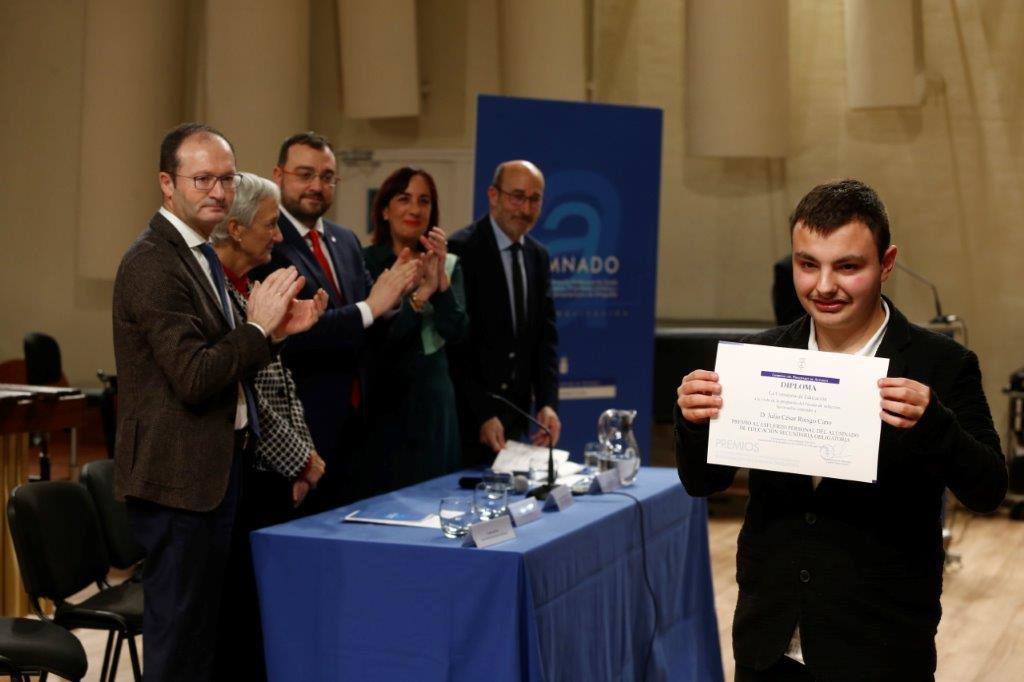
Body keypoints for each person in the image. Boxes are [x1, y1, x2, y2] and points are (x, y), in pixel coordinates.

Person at [675, 179, 1007, 681]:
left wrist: (937, 425)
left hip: (881, 646)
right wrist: (693, 420)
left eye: (847, 266)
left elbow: (988, 490)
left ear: (887, 263)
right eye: (808, 265)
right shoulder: (760, 357)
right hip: (769, 643)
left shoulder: (941, 364)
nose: (823, 286)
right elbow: (704, 482)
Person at [113, 123, 321, 682]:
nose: (217, 191)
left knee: (204, 643)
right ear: (167, 183)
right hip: (177, 481)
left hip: (214, 475)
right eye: (202, 178)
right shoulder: (154, 262)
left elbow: (227, 359)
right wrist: (257, 328)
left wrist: (273, 335)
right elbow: (194, 376)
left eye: (226, 179)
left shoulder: (199, 254)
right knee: (178, 650)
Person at [251, 131, 420, 510]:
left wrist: (397, 300)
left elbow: (370, 326)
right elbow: (295, 332)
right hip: (302, 431)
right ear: (278, 175)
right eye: (305, 174)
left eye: (327, 177)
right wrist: (372, 307)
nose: (317, 186)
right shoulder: (267, 242)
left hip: (360, 427)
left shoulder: (344, 239)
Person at [210, 172, 328, 680]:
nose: (279, 236)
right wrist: (299, 458)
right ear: (235, 230)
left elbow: (281, 384)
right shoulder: (211, 291)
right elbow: (245, 398)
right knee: (236, 629)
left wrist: (302, 453)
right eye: (269, 225)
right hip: (237, 478)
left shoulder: (251, 286)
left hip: (268, 475)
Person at [448, 160, 561, 466]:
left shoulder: (537, 255)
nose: (525, 209)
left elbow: (544, 339)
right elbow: (456, 346)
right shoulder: (460, 249)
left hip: (516, 418)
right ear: (493, 195)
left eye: (534, 199)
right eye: (517, 196)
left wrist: (548, 403)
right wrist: (483, 412)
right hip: (467, 419)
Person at [363, 167, 469, 491]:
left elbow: (459, 333)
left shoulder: (448, 262)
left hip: (435, 400)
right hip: (384, 399)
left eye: (424, 201)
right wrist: (420, 296)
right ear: (384, 210)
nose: (414, 209)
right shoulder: (366, 262)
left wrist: (441, 287)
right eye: (403, 199)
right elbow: (382, 339)